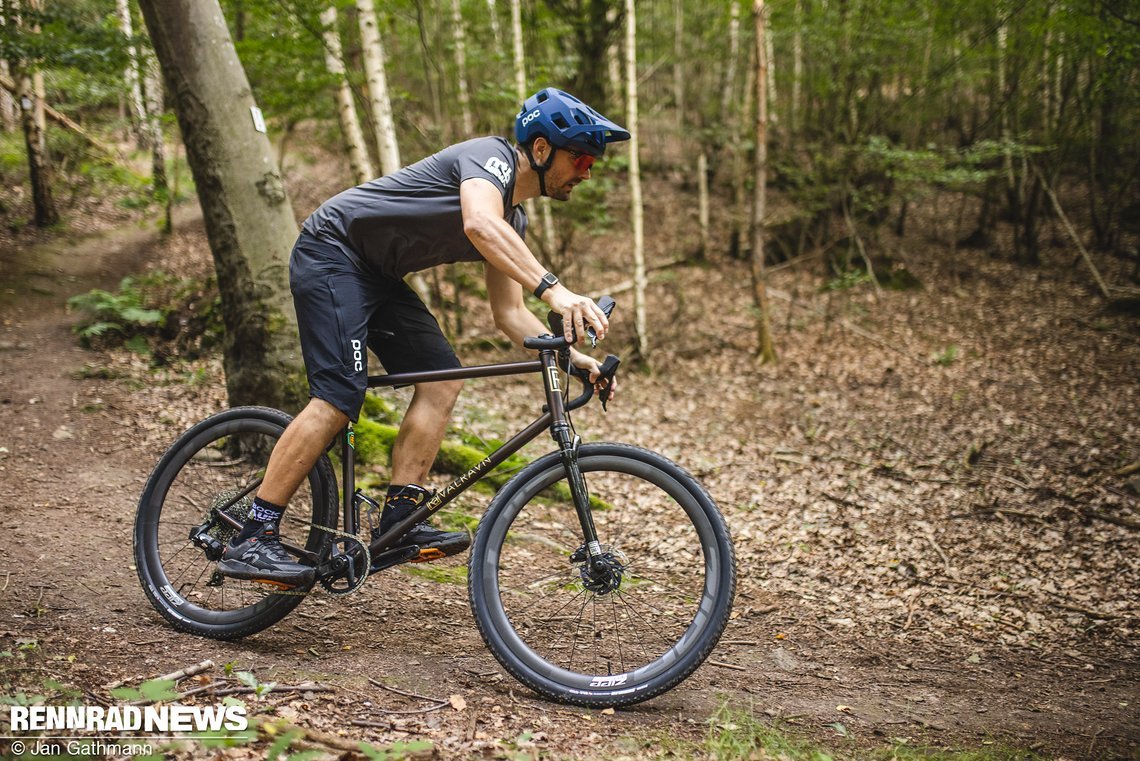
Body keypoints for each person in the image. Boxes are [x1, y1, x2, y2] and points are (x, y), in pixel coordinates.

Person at [216, 88, 630, 586]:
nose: (587, 171)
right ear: (540, 151)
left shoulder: (512, 220)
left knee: (443, 380)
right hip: (332, 251)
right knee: (337, 399)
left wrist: (572, 360)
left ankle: (400, 517)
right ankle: (253, 537)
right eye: (581, 157)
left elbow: (509, 313)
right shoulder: (489, 159)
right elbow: (478, 223)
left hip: (377, 274)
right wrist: (558, 293)